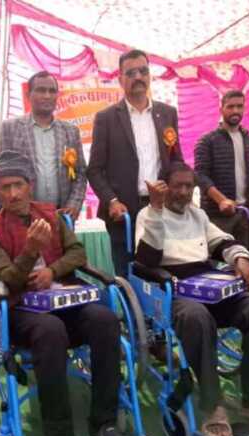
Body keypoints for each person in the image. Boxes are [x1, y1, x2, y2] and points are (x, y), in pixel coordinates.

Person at [0, 150, 136, 436]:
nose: (13, 193)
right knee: (51, 331)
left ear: (30, 185)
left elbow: (77, 254)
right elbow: (8, 279)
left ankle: (104, 425)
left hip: (65, 300)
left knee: (105, 320)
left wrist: (52, 270)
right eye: (5, 187)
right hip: (23, 311)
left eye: (18, 185)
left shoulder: (51, 215)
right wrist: (31, 251)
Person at [135, 162, 249, 436]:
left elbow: (222, 242)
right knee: (196, 317)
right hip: (172, 290)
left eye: (189, 186)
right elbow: (146, 260)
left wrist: (241, 258)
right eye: (177, 186)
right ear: (164, 187)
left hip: (209, 286)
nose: (184, 192)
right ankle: (213, 406)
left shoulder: (197, 215)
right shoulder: (148, 215)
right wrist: (156, 209)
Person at [88, 49, 183, 276]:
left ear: (150, 75)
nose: (138, 77)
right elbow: (94, 170)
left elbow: (176, 161)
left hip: (160, 209)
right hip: (123, 213)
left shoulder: (168, 113)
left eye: (143, 71)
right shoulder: (106, 118)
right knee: (127, 275)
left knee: (162, 273)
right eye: (131, 73)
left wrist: (178, 192)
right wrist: (112, 201)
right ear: (120, 79)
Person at [0, 71, 86, 220]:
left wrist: (74, 205)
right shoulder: (10, 128)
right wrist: (6, 217)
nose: (47, 96)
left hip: (62, 216)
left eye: (52, 91)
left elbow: (80, 173)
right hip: (22, 217)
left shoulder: (70, 131)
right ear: (28, 95)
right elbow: (0, 176)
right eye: (41, 90)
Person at [194, 89, 249, 247]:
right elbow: (200, 176)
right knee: (220, 258)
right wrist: (222, 200)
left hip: (245, 213)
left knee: (245, 256)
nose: (235, 111)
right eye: (230, 107)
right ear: (221, 109)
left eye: (239, 106)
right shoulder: (207, 141)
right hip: (217, 215)